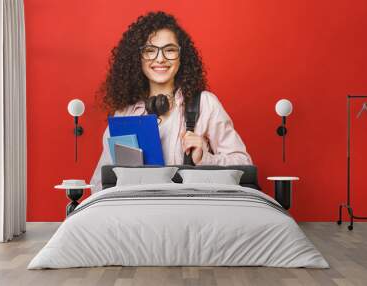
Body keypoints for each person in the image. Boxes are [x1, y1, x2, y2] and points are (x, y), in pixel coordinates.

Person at [90, 11, 252, 193]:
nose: (160, 58)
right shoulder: (124, 114)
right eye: (150, 51)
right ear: (138, 58)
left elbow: (244, 166)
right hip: (139, 213)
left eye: (170, 50)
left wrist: (205, 159)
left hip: (191, 211)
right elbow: (99, 184)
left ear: (181, 56)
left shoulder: (206, 104)